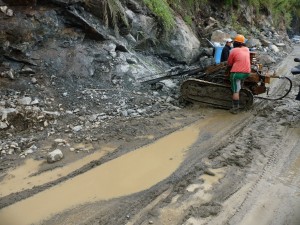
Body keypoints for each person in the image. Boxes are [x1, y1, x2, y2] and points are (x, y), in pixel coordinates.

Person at [227, 34, 251, 114]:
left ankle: (235, 108)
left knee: (235, 91)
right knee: (238, 84)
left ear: (236, 43)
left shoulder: (233, 50)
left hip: (237, 73)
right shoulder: (247, 49)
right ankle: (240, 89)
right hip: (247, 72)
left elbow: (229, 63)